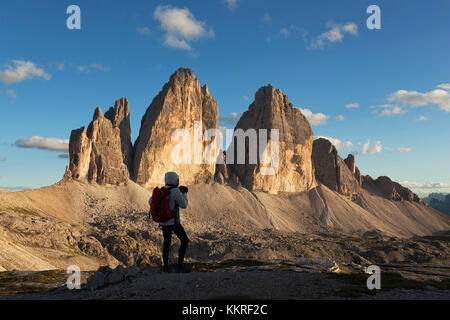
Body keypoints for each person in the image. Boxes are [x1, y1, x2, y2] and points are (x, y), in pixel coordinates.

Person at [149, 172, 190, 273]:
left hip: (163, 222)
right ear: (175, 180)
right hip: (173, 222)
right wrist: (184, 193)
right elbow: (184, 205)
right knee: (184, 241)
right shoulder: (175, 191)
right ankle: (180, 266)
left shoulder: (162, 190)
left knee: (166, 243)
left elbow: (150, 201)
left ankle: (165, 267)